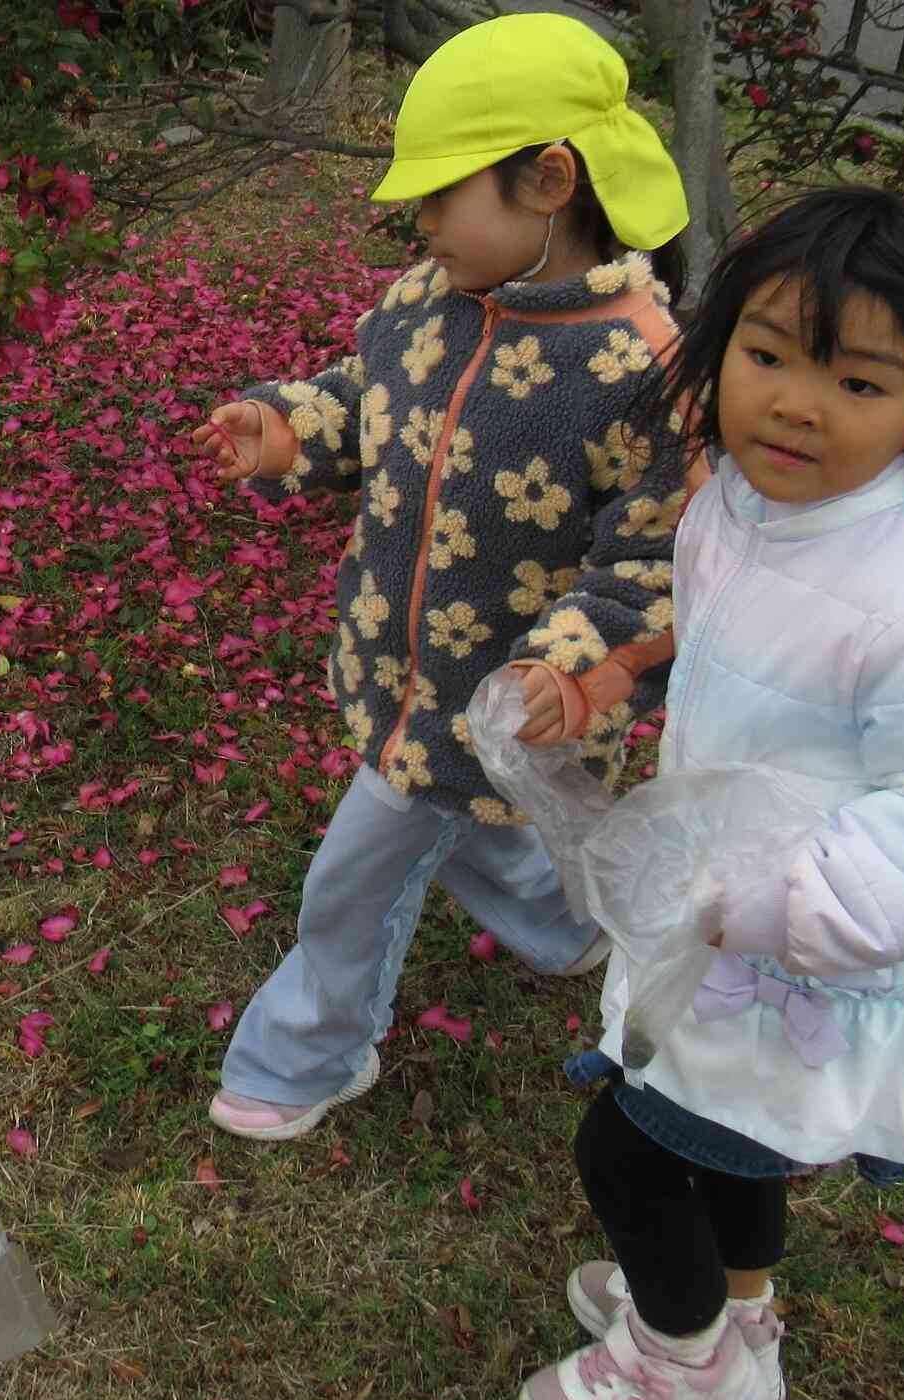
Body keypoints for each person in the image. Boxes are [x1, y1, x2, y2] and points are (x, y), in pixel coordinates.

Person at [516, 186, 904, 1400]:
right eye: (769, 356)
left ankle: (679, 1367)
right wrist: (618, 678)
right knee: (733, 1148)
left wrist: (782, 905)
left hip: (808, 939)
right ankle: (737, 1312)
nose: (794, 402)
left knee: (629, 1152)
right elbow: (722, 621)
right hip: (727, 909)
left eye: (855, 381)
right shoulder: (738, 496)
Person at [188, 12, 703, 1141]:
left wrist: (567, 676)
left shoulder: (638, 370)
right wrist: (285, 430)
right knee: (490, 828)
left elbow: (649, 565)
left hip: (498, 698)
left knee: (358, 878)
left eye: (436, 197)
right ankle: (569, 928)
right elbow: (365, 400)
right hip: (395, 658)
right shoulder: (424, 304)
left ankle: (304, 1056)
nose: (415, 224)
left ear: (548, 179)